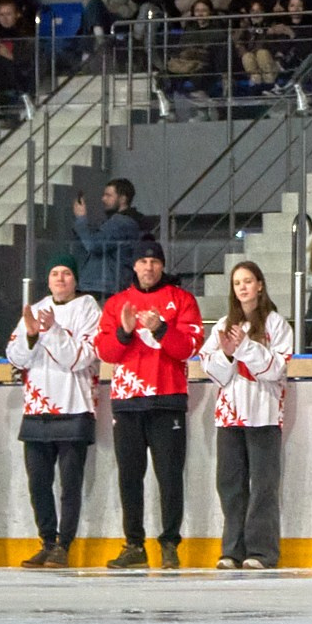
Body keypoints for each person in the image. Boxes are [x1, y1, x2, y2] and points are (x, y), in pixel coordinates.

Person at [96, 239, 203, 571]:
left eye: (154, 261)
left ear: (162, 265)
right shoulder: (116, 305)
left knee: (170, 476)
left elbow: (188, 347)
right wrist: (125, 333)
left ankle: (169, 543)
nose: (148, 267)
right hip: (127, 401)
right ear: (134, 267)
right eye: (142, 262)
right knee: (129, 476)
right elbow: (105, 351)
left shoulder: (181, 300)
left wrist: (160, 328)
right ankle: (134, 545)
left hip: (167, 399)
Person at [196, 259, 290, 571]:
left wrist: (245, 348)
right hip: (229, 418)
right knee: (231, 485)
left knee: (263, 486)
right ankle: (232, 549)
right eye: (237, 283)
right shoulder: (223, 324)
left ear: (260, 285)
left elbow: (276, 369)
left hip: (263, 415)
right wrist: (225, 353)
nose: (243, 287)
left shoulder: (277, 324)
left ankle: (262, 552)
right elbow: (213, 372)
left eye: (248, 281)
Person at [7, 258, 100, 568]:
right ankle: (47, 540)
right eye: (54, 273)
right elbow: (15, 356)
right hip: (37, 408)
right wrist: (32, 335)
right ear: (47, 280)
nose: (60, 278)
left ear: (75, 279)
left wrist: (54, 331)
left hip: (74, 406)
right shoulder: (34, 309)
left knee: (70, 482)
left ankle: (64, 543)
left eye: (67, 273)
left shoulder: (88, 308)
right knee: (38, 482)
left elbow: (81, 358)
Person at [72, 179, 142, 292]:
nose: (103, 199)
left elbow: (93, 245)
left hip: (104, 289)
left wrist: (81, 218)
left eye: (108, 195)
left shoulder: (122, 222)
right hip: (101, 286)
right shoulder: (115, 222)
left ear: (123, 199)